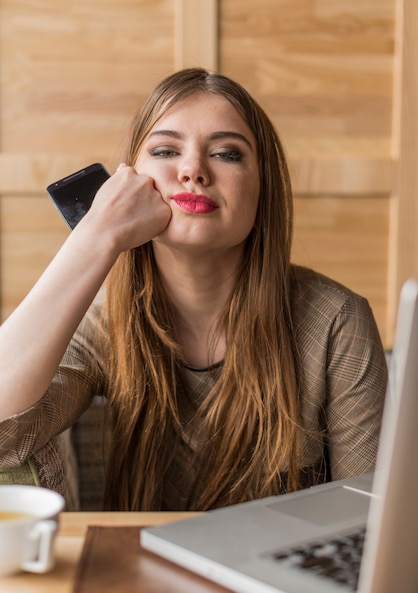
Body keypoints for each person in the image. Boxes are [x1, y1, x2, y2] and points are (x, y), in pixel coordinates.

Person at [0, 68, 387, 512]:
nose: (193, 171)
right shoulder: (105, 319)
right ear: (128, 183)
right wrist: (95, 238)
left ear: (263, 188)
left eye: (227, 154)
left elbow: (366, 521)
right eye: (166, 150)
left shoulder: (337, 320)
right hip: (136, 572)